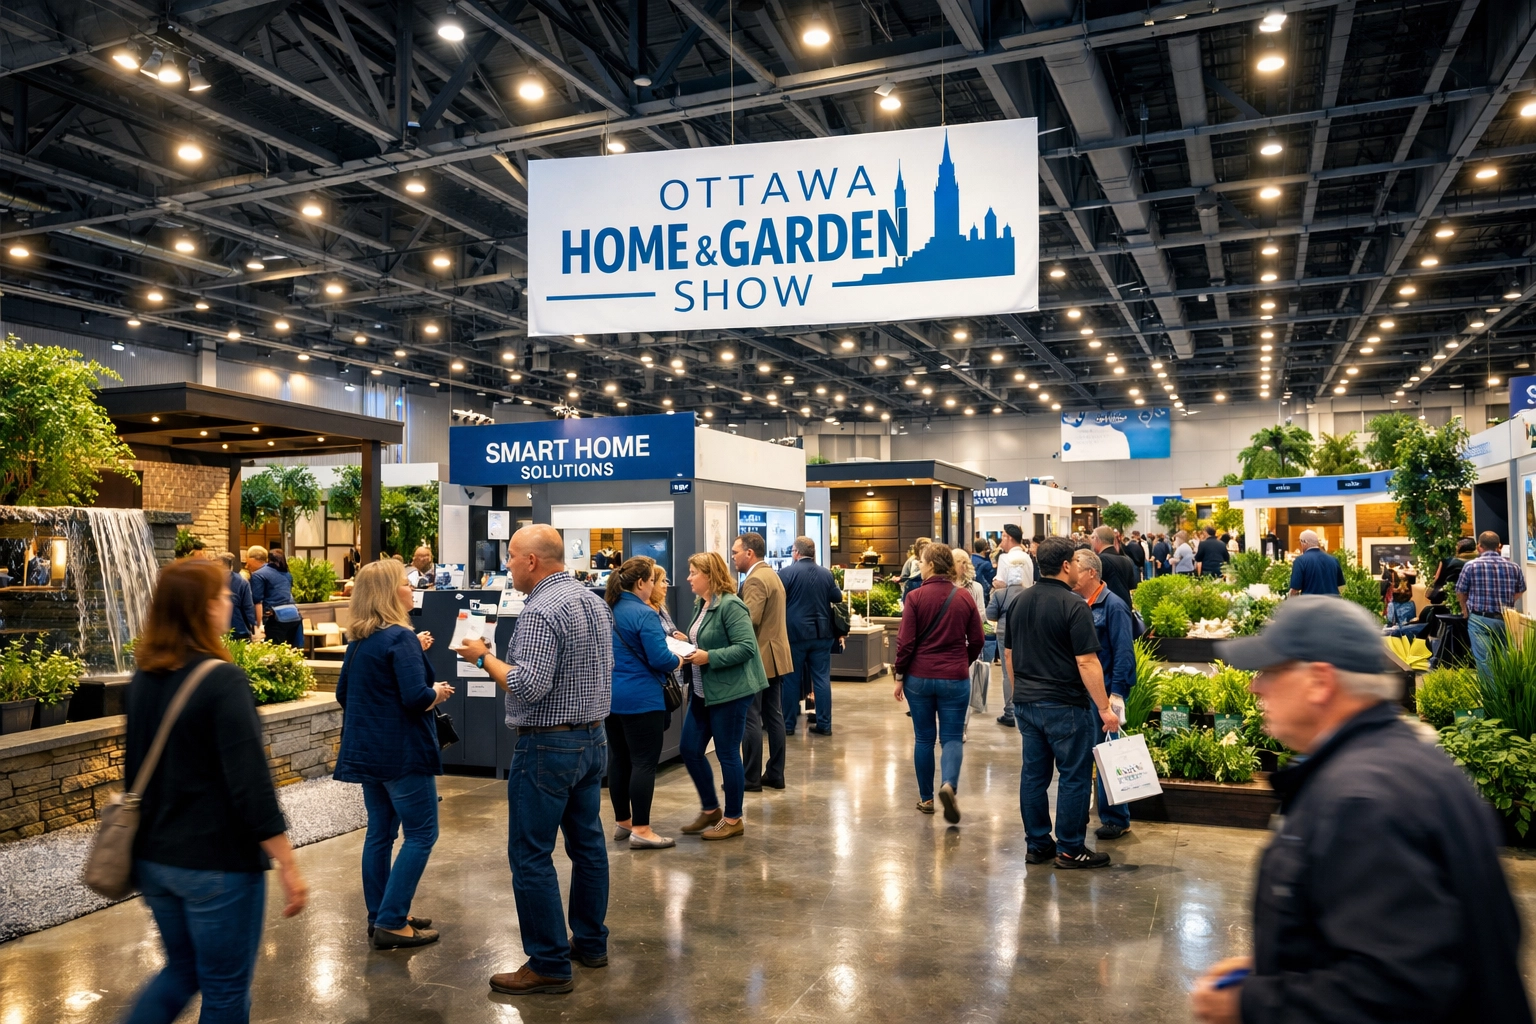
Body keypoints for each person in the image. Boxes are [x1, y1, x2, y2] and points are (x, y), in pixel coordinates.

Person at [1191, 597, 1533, 1024]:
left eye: (1270, 671)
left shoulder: (1361, 803)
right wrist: (1281, 961)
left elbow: (1392, 992)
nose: (1254, 687)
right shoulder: (1403, 762)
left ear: (1320, 682)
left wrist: (1249, 1004)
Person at [122, 559, 308, 1023]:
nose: (230, 601)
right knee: (225, 991)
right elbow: (251, 785)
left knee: (182, 970)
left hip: (155, 859)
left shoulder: (144, 677)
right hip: (216, 865)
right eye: (223, 595)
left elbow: (134, 771)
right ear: (203, 607)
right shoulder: (222, 679)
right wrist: (287, 864)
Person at [452, 524, 611, 996]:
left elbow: (527, 685)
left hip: (548, 747)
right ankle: (590, 943)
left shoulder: (541, 610)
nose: (507, 566)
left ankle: (548, 963)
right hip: (592, 739)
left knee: (530, 854)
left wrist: (482, 657)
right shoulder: (592, 601)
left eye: (511, 558)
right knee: (588, 847)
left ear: (532, 561)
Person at [334, 559, 452, 949]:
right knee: (422, 834)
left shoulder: (361, 640)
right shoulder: (400, 638)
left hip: (368, 753)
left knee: (380, 834)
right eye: (405, 583)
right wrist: (438, 693)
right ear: (388, 592)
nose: (411, 588)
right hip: (403, 754)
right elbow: (416, 697)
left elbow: (343, 694)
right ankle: (391, 920)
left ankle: (381, 912)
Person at [1005, 536, 1120, 869]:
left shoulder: (1019, 601)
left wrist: (1020, 692)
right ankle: (1070, 848)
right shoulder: (1075, 605)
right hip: (1065, 705)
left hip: (1027, 703)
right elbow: (1087, 662)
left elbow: (1009, 654)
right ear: (1066, 565)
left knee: (1034, 776)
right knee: (1074, 776)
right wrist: (1104, 708)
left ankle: (1038, 844)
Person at [676, 551, 767, 841]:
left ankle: (733, 818)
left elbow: (746, 647)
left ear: (709, 575)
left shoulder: (731, 605)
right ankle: (711, 809)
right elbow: (706, 637)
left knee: (727, 753)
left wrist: (709, 656)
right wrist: (686, 642)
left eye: (693, 573)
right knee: (690, 749)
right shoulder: (702, 604)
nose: (688, 578)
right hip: (703, 692)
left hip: (730, 692)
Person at [894, 542, 983, 823]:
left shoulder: (915, 597)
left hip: (919, 678)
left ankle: (927, 798)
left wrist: (899, 676)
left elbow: (905, 643)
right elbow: (978, 639)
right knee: (952, 737)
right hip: (955, 677)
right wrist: (963, 661)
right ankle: (948, 785)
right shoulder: (964, 597)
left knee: (923, 738)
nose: (919, 566)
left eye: (921, 562)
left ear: (931, 565)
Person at [604, 556, 683, 850]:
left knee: (618, 759)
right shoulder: (645, 614)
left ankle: (623, 822)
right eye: (652, 580)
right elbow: (660, 659)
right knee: (643, 763)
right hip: (642, 700)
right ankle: (642, 829)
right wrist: (679, 659)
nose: (654, 585)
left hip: (611, 698)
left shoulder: (608, 609)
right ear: (640, 583)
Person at [1072, 549, 1135, 841]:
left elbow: (1124, 652)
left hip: (1106, 694)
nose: (1071, 572)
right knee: (1081, 755)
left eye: (1076, 567)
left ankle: (1116, 819)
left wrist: (1117, 694)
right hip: (1079, 695)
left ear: (1092, 573)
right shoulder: (1075, 603)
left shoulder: (1114, 606)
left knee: (1109, 756)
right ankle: (1083, 813)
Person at [732, 533, 792, 792]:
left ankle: (750, 777)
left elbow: (749, 620)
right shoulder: (772, 575)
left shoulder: (755, 579)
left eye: (735, 552)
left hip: (759, 658)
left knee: (751, 717)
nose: (732, 557)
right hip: (775, 657)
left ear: (749, 553)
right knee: (774, 716)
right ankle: (775, 774)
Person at [779, 536, 842, 736]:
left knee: (791, 679)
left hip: (795, 635)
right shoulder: (826, 573)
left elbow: (778, 599)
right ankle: (825, 724)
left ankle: (788, 725)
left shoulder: (786, 573)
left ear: (796, 552)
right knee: (822, 679)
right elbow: (837, 597)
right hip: (822, 633)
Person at [1456, 530, 1528, 674]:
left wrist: (1464, 610)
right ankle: (1505, 688)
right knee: (1506, 660)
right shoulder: (1514, 567)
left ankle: (1489, 689)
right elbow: (1521, 590)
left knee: (1485, 662)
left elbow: (1460, 591)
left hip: (1479, 619)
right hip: (1505, 618)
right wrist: (1507, 602)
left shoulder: (1470, 566)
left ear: (1479, 546)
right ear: (1499, 546)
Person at [988, 550, 1032, 729]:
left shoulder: (1000, 594)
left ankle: (1010, 711)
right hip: (1027, 633)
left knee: (1008, 672)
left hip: (1003, 632)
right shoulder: (1030, 593)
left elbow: (990, 616)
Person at [250, 547, 300, 648]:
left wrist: (259, 625)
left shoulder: (258, 575)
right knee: (290, 651)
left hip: (274, 618)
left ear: (268, 559)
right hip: (294, 617)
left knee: (274, 650)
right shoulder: (287, 574)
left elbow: (258, 601)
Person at [1287, 530, 1344, 597]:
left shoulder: (1300, 561)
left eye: (1300, 543)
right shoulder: (1333, 560)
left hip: (1311, 601)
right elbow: (1341, 587)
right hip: (1332, 601)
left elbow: (1294, 590)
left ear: (1304, 542)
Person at [1089, 526, 1137, 607]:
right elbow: (1132, 585)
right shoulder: (1126, 560)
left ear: (1097, 539)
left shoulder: (1101, 560)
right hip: (1125, 605)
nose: (1091, 541)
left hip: (1108, 607)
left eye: (1092, 537)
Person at [221, 552, 256, 641]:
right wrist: (252, 625)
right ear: (231, 565)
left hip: (217, 630)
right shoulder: (242, 581)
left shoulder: (210, 580)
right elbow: (248, 606)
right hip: (239, 627)